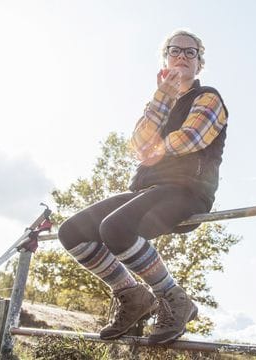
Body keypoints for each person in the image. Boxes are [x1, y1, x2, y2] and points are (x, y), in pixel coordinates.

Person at [57, 29, 228, 344]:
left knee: (116, 228)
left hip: (187, 191)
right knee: (71, 232)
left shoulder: (208, 98)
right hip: (148, 191)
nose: (182, 56)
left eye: (191, 53)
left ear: (200, 64)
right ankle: (132, 295)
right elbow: (137, 143)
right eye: (175, 50)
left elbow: (191, 137)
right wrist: (162, 96)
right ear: (165, 59)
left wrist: (155, 147)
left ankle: (174, 298)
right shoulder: (160, 102)